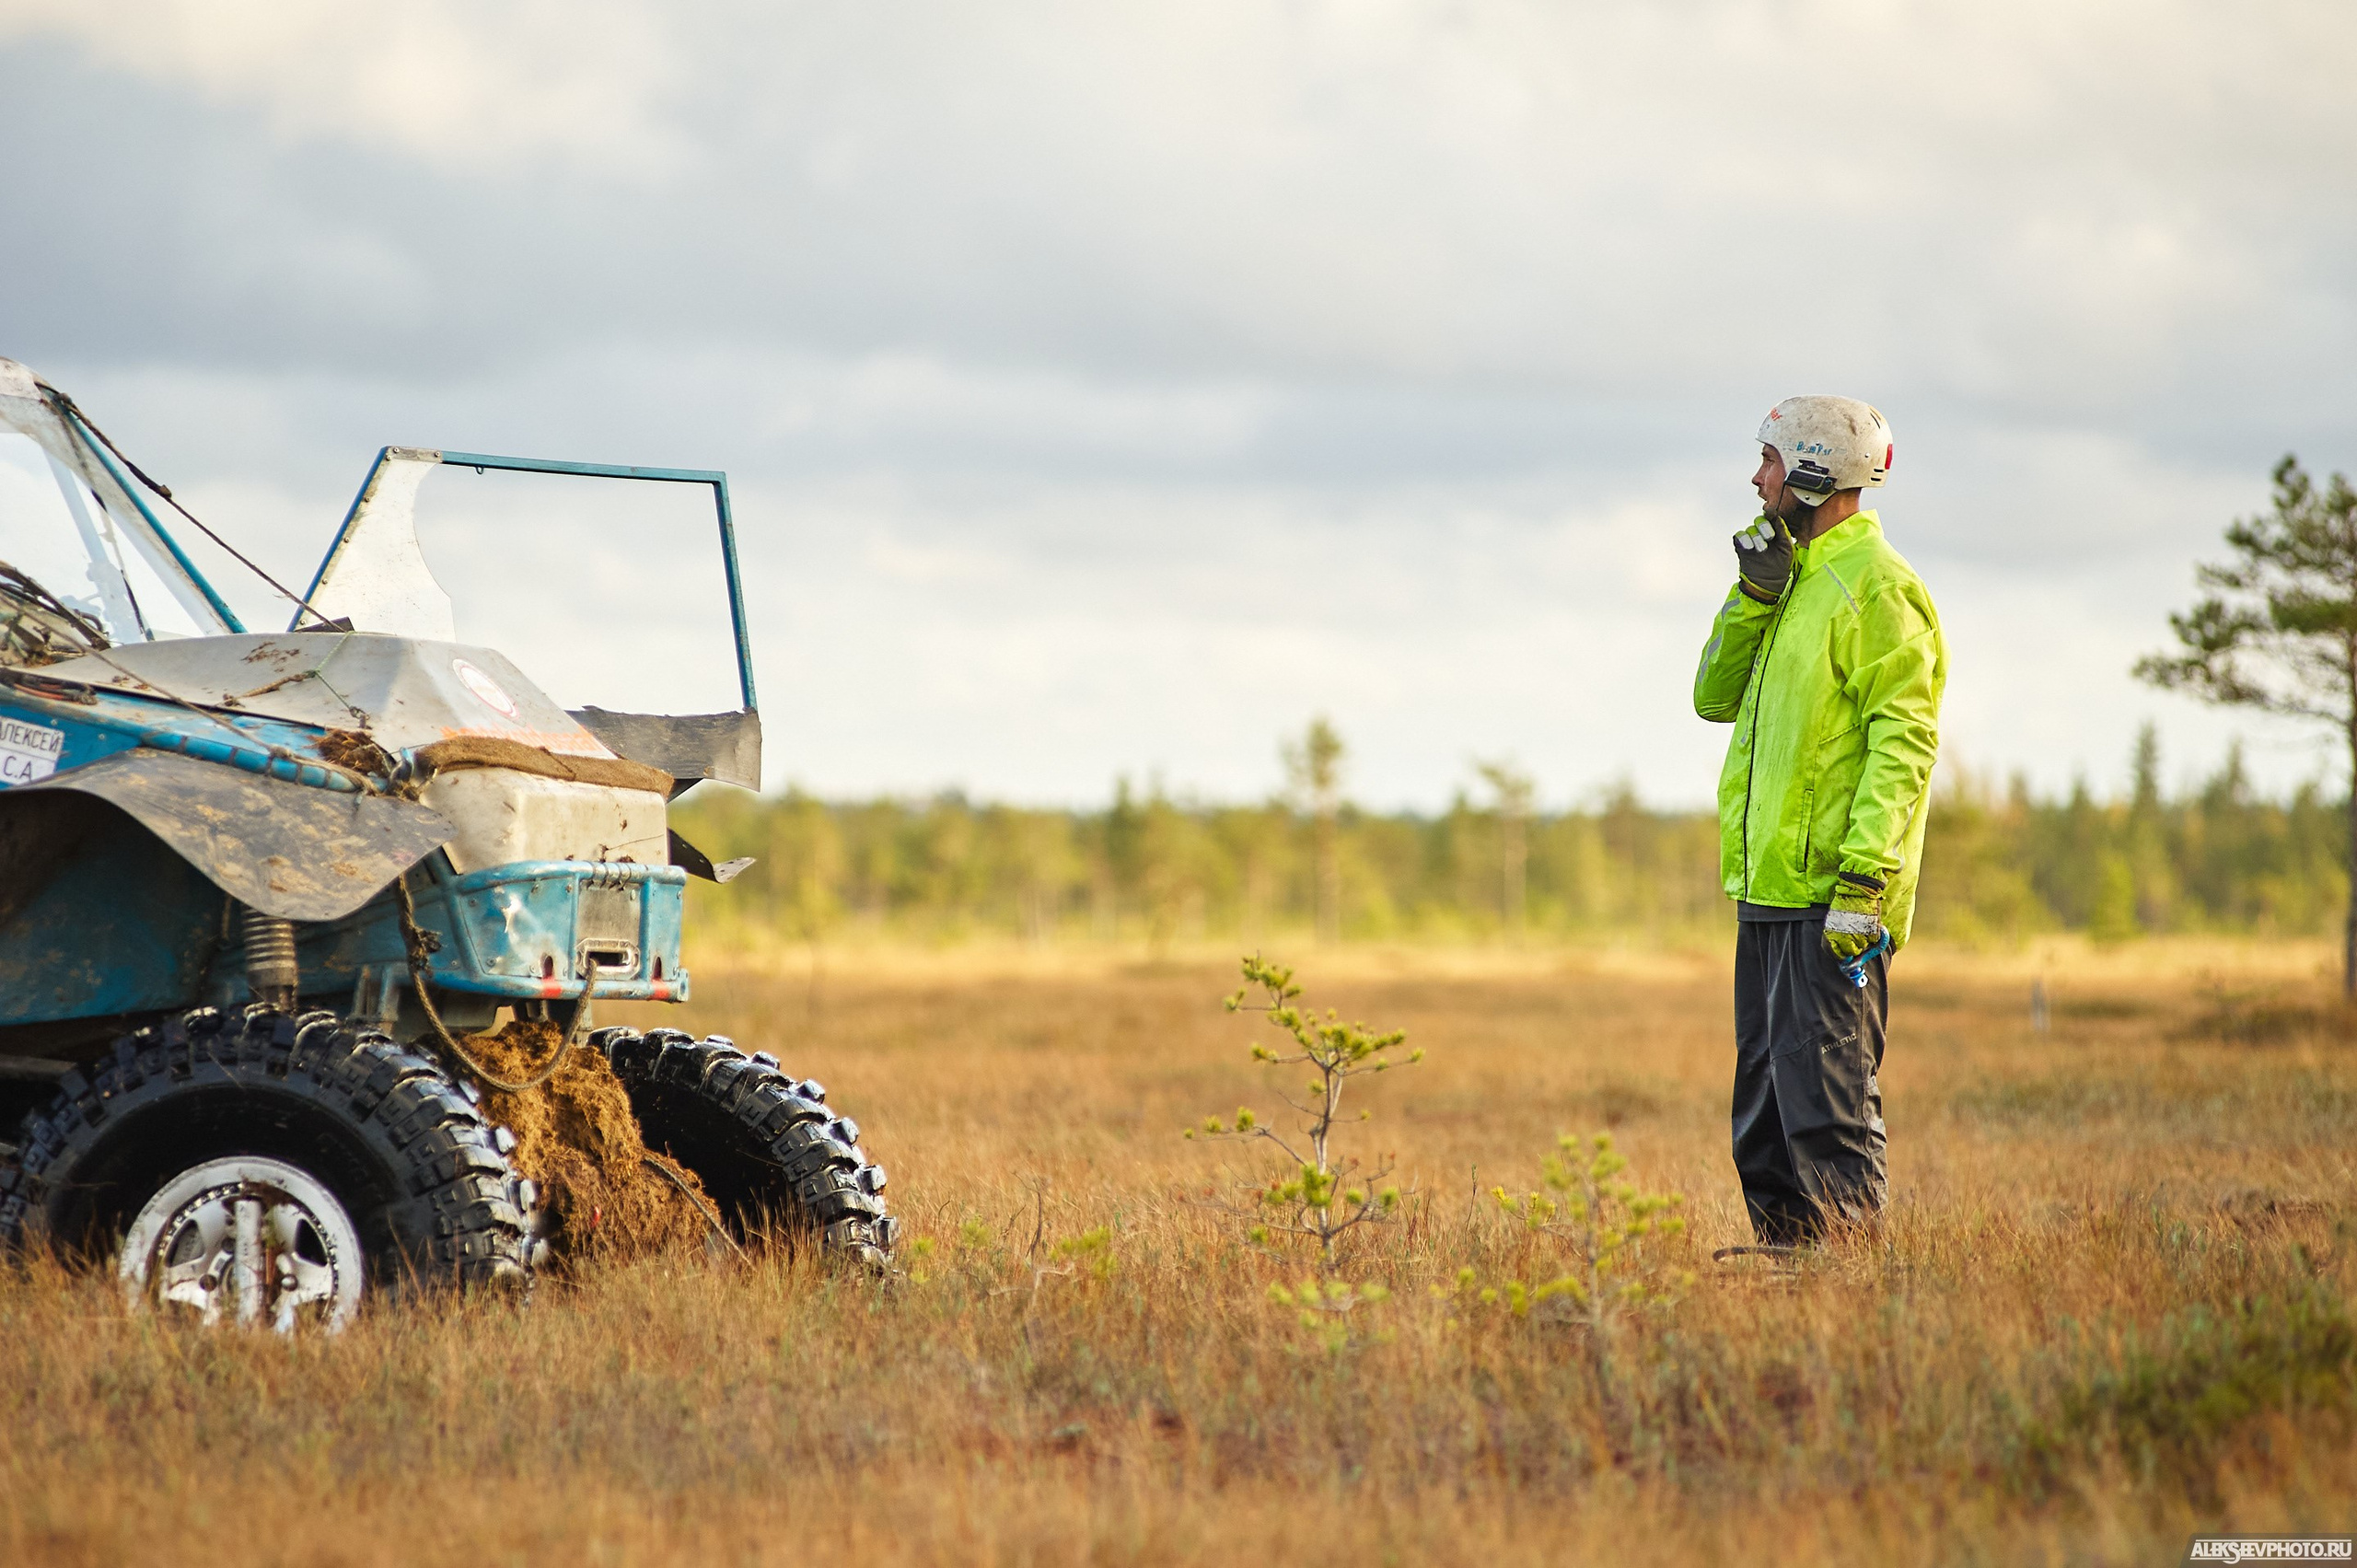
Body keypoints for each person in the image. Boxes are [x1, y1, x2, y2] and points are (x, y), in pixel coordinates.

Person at [1692, 395, 1945, 1246]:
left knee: (1826, 1113)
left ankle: (1853, 1288)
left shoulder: (1880, 590)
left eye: (1769, 461)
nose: (1756, 478)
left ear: (1812, 472)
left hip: (1834, 903)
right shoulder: (1787, 583)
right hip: (1766, 895)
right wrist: (1751, 599)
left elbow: (1903, 746)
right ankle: (1787, 1269)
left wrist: (1866, 884)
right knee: (1763, 1119)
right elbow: (1710, 699)